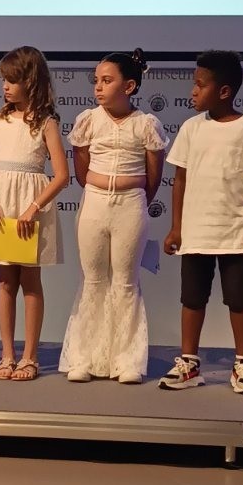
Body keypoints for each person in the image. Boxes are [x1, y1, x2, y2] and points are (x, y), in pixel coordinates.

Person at [159, 50, 243, 394]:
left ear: (224, 91)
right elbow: (180, 179)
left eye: (200, 84)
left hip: (235, 230)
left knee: (239, 299)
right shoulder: (191, 127)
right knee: (192, 299)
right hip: (196, 231)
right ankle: (189, 363)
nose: (193, 91)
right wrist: (176, 227)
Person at [59, 49, 167, 384]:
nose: (98, 87)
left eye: (107, 81)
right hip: (94, 202)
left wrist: (133, 197)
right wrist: (100, 189)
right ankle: (84, 358)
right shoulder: (88, 120)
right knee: (92, 279)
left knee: (125, 281)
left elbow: (154, 176)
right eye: (96, 80)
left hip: (131, 205)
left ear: (129, 86)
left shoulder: (146, 124)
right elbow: (81, 167)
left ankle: (127, 360)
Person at [0, 46, 69, 381]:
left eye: (12, 80)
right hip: (1, 205)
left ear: (30, 81)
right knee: (5, 280)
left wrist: (34, 207)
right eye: (3, 80)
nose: (5, 86)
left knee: (31, 281)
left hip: (31, 207)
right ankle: (7, 355)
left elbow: (61, 175)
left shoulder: (46, 123)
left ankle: (30, 357)